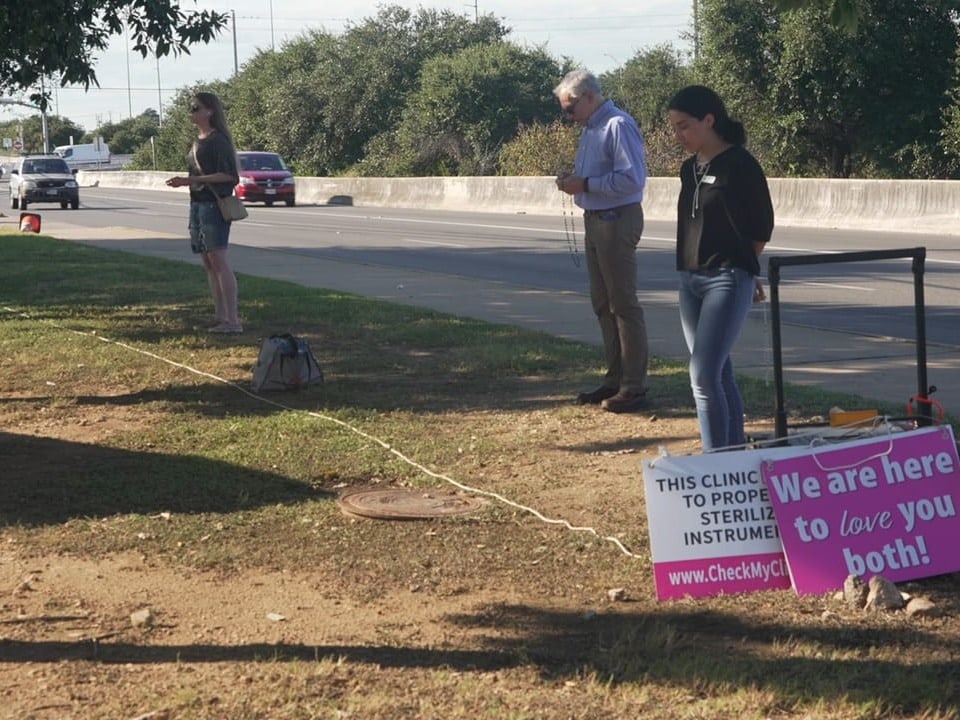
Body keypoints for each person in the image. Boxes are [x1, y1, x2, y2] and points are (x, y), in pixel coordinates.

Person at [667, 85, 774, 451]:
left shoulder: (740, 165)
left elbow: (760, 227)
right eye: (674, 128)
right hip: (690, 278)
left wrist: (745, 268)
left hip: (726, 279)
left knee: (702, 376)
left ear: (708, 120)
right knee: (719, 373)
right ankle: (732, 454)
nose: (678, 135)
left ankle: (715, 462)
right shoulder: (688, 169)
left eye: (684, 126)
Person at [553, 69, 651, 414]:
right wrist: (574, 182)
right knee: (603, 303)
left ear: (589, 97)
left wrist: (587, 185)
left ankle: (634, 387)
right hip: (595, 219)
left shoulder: (617, 125)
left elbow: (632, 179)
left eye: (570, 109)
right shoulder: (591, 129)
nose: (569, 117)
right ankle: (615, 378)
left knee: (623, 304)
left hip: (616, 219)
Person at [165, 91, 243, 334]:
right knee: (208, 262)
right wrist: (190, 183)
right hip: (197, 203)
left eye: (196, 108)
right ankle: (220, 317)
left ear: (209, 111)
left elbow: (229, 175)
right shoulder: (198, 140)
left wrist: (192, 179)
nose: (192, 112)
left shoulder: (218, 140)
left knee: (219, 260)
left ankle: (233, 320)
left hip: (213, 204)